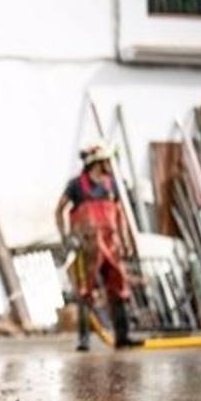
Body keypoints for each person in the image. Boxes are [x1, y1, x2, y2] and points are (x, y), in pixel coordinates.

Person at [55, 142, 141, 350]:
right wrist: (66, 238)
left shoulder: (112, 185)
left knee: (118, 288)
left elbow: (120, 215)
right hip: (87, 246)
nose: (110, 165)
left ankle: (123, 337)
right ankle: (84, 340)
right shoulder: (77, 185)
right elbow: (59, 210)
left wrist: (125, 240)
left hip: (111, 245)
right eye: (107, 161)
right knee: (86, 291)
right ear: (96, 162)